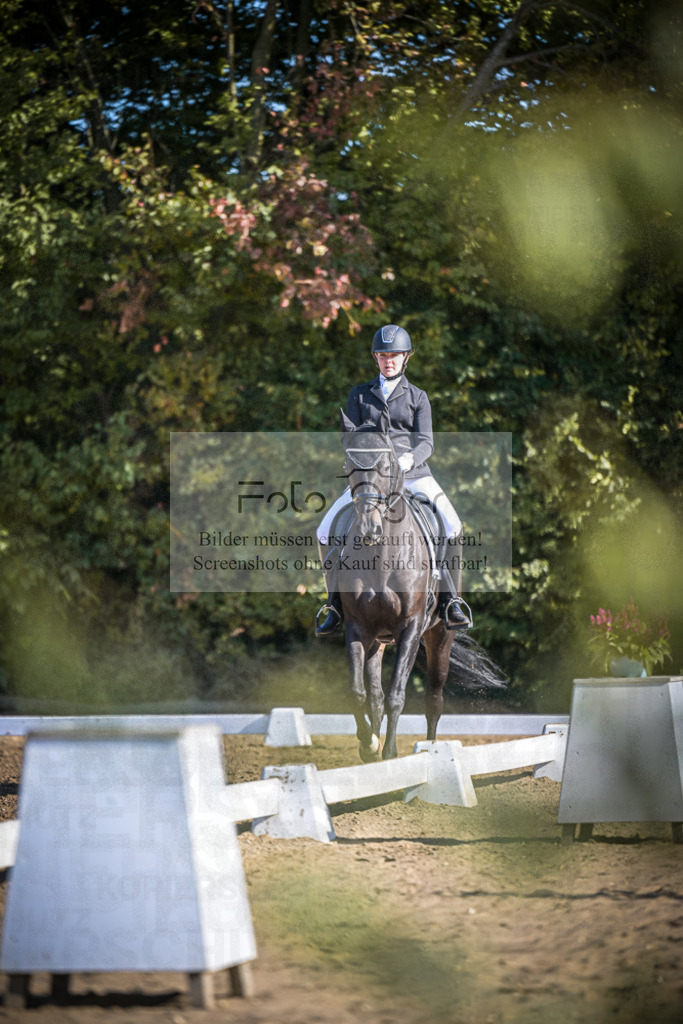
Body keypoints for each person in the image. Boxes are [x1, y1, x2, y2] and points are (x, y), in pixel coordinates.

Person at [315, 323, 472, 636]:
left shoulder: (417, 397)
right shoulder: (360, 396)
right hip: (371, 481)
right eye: (384, 355)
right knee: (323, 531)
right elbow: (351, 438)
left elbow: (426, 441)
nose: (389, 360)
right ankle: (334, 604)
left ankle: (451, 600)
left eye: (395, 355)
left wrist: (409, 458)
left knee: (453, 526)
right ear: (376, 358)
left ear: (405, 358)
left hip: (413, 476)